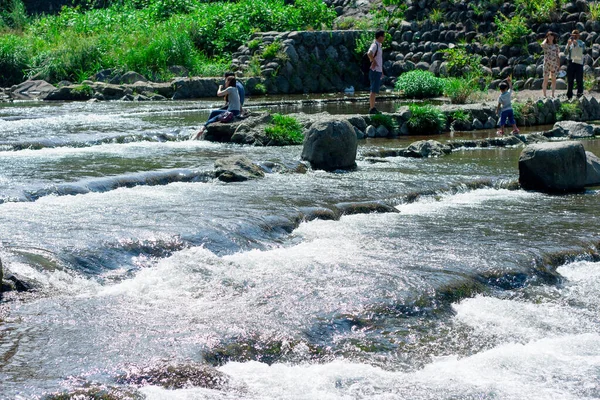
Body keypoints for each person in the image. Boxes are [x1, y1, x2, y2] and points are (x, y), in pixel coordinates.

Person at [367, 30, 385, 115]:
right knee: (373, 90)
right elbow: (369, 53)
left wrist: (381, 71)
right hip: (374, 70)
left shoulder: (379, 46)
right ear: (380, 37)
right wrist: (373, 61)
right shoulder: (375, 45)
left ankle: (373, 107)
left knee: (374, 90)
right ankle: (372, 108)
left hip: (377, 70)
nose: (384, 38)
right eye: (383, 36)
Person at [565, 29, 585, 100]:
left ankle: (580, 94)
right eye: (573, 35)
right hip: (571, 62)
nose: (575, 37)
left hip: (578, 62)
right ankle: (569, 95)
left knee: (579, 79)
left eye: (576, 35)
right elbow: (565, 53)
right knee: (570, 79)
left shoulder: (581, 42)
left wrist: (576, 44)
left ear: (579, 36)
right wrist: (568, 45)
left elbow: (583, 50)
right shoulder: (569, 43)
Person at [541, 31, 559, 98]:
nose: (550, 37)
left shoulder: (556, 46)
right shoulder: (545, 45)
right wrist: (546, 39)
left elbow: (558, 56)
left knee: (554, 79)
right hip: (546, 64)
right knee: (545, 79)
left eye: (551, 36)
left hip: (554, 64)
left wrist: (558, 65)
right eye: (549, 36)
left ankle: (553, 94)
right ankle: (544, 95)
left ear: (554, 37)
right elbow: (542, 44)